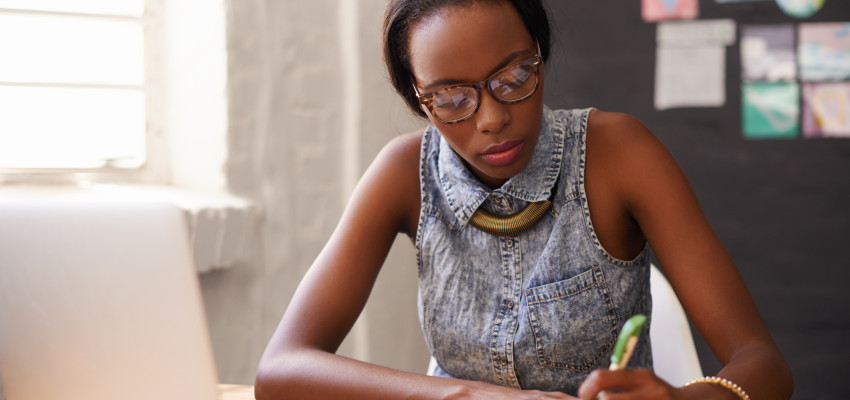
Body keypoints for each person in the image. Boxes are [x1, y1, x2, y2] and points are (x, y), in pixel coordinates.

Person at [254, 0, 793, 399]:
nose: (492, 118)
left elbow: (764, 366)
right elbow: (281, 369)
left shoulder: (620, 155)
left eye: (514, 77)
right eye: (451, 98)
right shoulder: (403, 173)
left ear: (541, 55)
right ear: (417, 98)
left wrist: (679, 399)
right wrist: (464, 395)